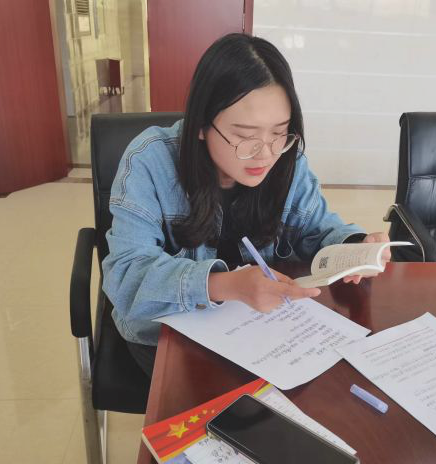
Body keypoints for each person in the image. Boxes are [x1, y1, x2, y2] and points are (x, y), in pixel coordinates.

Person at [102, 33, 390, 377]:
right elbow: (126, 276)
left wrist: (354, 248)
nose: (265, 153)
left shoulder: (288, 162)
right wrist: (226, 285)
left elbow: (317, 229)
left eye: (278, 132)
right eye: (244, 136)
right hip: (169, 336)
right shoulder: (149, 161)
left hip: (259, 332)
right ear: (201, 125)